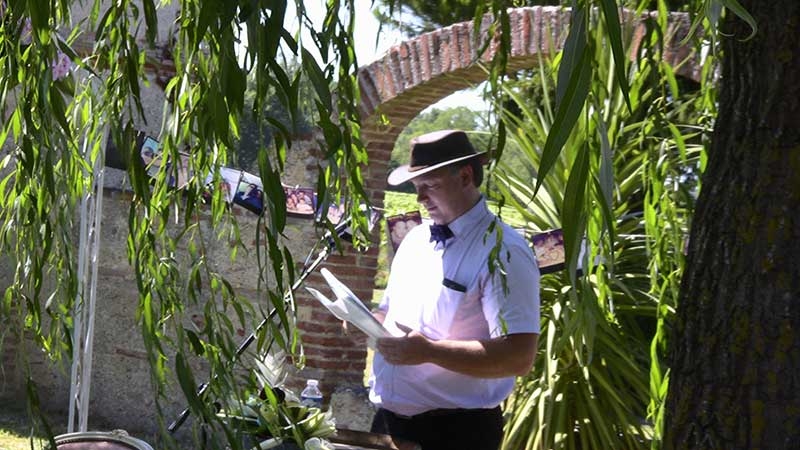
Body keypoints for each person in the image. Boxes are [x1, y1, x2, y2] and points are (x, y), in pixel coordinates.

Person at [369, 130, 541, 450]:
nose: (419, 199)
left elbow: (519, 356)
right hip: (388, 424)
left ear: (465, 177)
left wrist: (429, 351)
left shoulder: (504, 251)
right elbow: (388, 312)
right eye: (416, 187)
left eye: (429, 186)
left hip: (457, 433)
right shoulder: (414, 241)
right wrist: (364, 324)